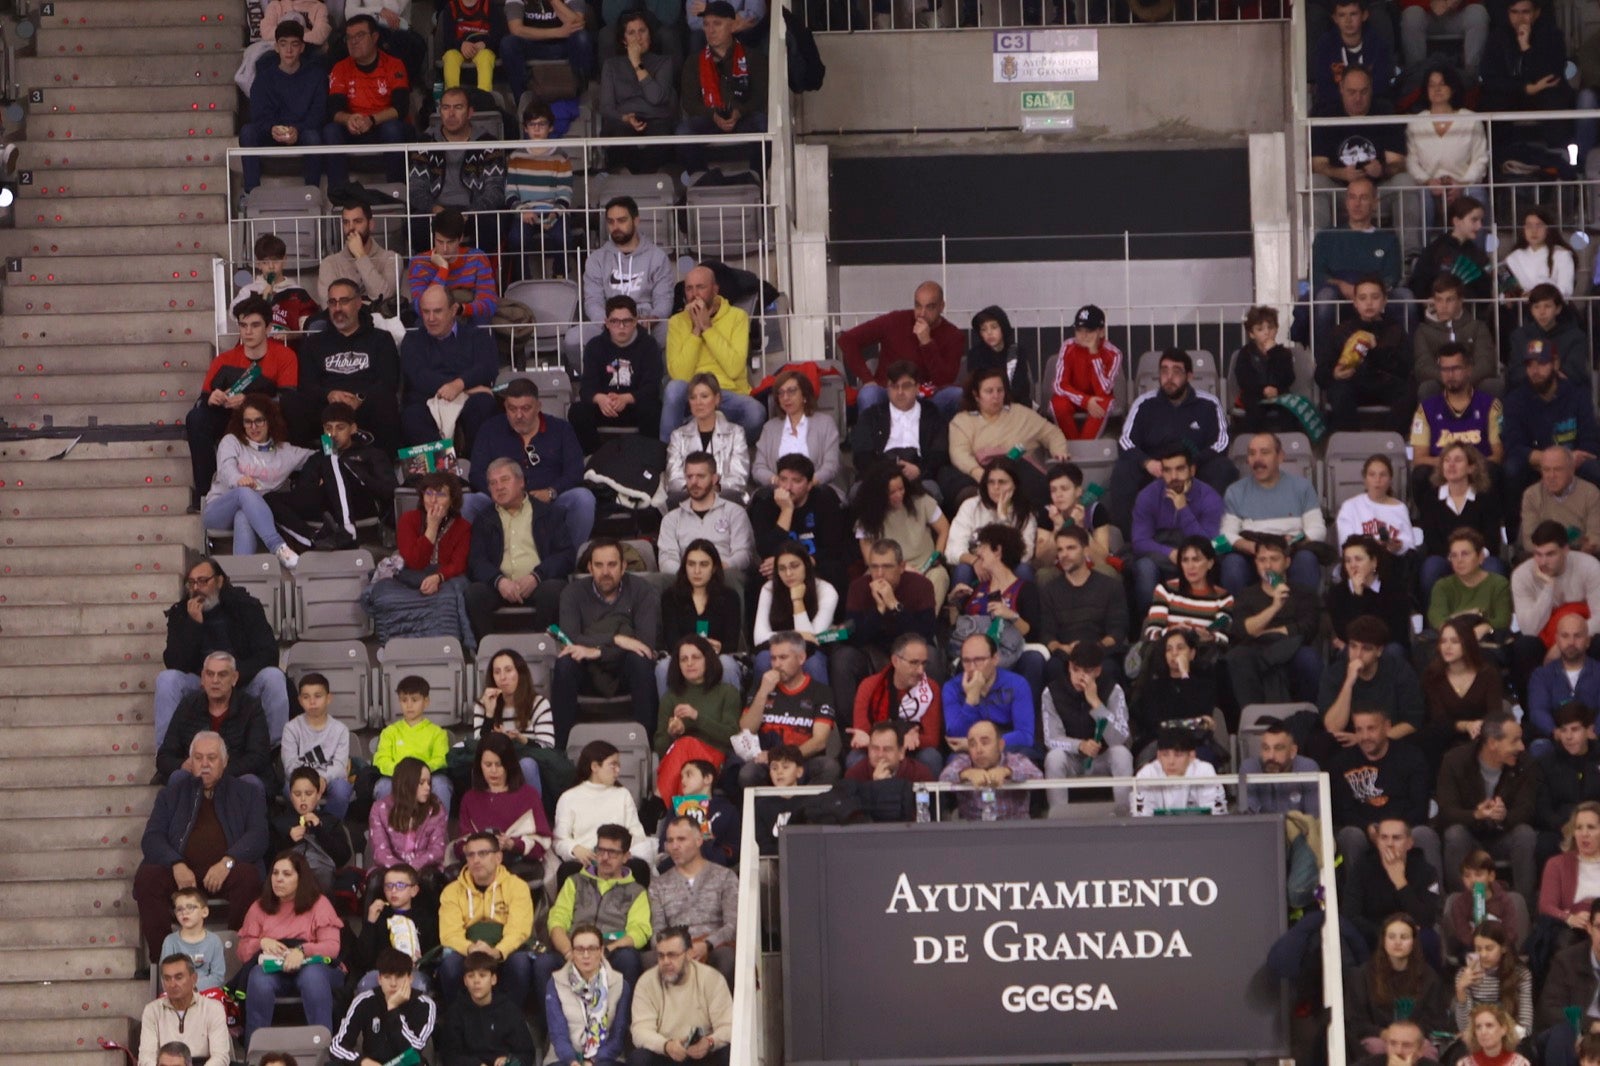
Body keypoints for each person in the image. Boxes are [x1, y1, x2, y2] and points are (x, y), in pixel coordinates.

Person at [134, 733, 267, 962]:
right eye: (198, 758)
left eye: (212, 758)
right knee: (147, 878)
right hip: (182, 873)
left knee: (248, 877)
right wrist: (175, 863)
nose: (205, 764)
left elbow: (259, 836)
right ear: (190, 762)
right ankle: (166, 962)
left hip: (226, 871)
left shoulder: (247, 792)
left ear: (224, 762)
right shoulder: (170, 794)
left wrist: (228, 862)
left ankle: (235, 960)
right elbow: (152, 838)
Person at [156, 554, 291, 738]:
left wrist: (232, 676)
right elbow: (175, 663)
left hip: (241, 682)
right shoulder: (180, 614)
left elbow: (268, 654)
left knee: (273, 677)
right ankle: (165, 757)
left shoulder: (245, 606)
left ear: (219, 581)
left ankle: (276, 750)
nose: (196, 589)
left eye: (203, 581)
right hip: (201, 684)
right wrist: (193, 625)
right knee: (167, 680)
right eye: (192, 583)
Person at [185, 297, 301, 505]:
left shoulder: (285, 356)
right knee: (196, 417)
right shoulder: (224, 359)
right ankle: (206, 492)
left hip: (269, 417)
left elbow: (288, 398)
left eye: (255, 325)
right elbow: (202, 400)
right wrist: (212, 398)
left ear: (268, 328)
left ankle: (295, 483)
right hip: (231, 417)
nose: (248, 332)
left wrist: (249, 401)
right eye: (243, 325)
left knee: (295, 408)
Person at [1109, 348, 1236, 533]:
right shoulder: (1144, 403)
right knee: (1123, 470)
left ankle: (1212, 535)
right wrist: (1147, 463)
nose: (1169, 377)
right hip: (1156, 469)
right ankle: (1130, 539)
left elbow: (1222, 443)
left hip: (1195, 466)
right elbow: (1126, 442)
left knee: (1224, 468)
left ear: (1189, 376)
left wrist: (1191, 464)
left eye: (1176, 371)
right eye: (1164, 371)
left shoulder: (1208, 403)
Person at [552, 539, 662, 742]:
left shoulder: (643, 591)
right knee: (564, 664)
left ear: (623, 566)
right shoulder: (572, 593)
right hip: (586, 671)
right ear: (589, 567)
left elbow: (645, 645)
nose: (605, 572)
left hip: (626, 671)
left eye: (612, 564)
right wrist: (617, 639)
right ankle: (561, 746)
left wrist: (599, 651)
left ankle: (647, 743)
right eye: (599, 565)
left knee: (640, 661)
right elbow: (570, 639)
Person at [467, 378, 594, 551]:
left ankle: (568, 560)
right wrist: (500, 493)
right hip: (500, 501)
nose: (519, 415)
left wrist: (551, 492)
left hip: (548, 502)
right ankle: (479, 563)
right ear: (505, 407)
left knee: (583, 498)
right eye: (512, 409)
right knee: (467, 502)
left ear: (538, 406)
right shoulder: (489, 429)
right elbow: (476, 473)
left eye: (526, 409)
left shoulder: (561, 429)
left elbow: (575, 471)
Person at [236, 851, 344, 1044]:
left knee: (312, 976)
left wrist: (302, 952)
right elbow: (243, 953)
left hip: (316, 969)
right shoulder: (259, 906)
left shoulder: (319, 903)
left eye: (286, 874)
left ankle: (324, 1049)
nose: (278, 879)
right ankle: (255, 1051)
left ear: (300, 878)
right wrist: (260, 943)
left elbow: (332, 947)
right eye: (275, 873)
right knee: (258, 978)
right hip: (274, 969)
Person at [464, 457, 574, 640]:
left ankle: (542, 646)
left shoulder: (549, 513)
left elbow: (566, 555)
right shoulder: (483, 519)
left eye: (505, 480)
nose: (499, 487)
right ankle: (489, 652)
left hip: (539, 583)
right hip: (499, 586)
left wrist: (536, 576)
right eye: (493, 483)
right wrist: (499, 581)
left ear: (521, 481)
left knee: (555, 590)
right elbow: (476, 561)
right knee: (474, 594)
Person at [363, 471, 475, 649]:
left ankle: (445, 649)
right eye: (429, 493)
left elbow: (458, 564)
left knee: (449, 598)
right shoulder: (409, 520)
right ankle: (394, 648)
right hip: (410, 576)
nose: (433, 500)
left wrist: (438, 578)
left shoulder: (463, 527)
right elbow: (414, 562)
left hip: (443, 579)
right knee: (384, 594)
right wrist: (432, 528)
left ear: (452, 500)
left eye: (441, 494)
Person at [832, 540, 939, 724]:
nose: (879, 574)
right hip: (872, 651)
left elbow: (925, 635)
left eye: (887, 567)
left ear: (902, 566)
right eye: (874, 567)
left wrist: (894, 606)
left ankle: (928, 729)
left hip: (910, 651)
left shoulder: (922, 586)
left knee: (932, 655)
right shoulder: (859, 587)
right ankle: (851, 732)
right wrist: (879, 611)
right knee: (842, 658)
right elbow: (854, 639)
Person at [539, 823, 651, 994]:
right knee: (543, 963)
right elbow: (557, 920)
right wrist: (570, 952)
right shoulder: (574, 882)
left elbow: (639, 932)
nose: (604, 857)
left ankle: (624, 1020)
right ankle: (548, 1020)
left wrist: (604, 951)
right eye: (600, 850)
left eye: (612, 853)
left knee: (629, 958)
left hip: (611, 951)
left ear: (626, 856)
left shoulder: (636, 891)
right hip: (573, 948)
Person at [199, 396, 312, 564]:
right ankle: (278, 547)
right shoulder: (232, 441)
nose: (253, 427)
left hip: (255, 514)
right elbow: (226, 469)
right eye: (248, 422)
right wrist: (238, 479)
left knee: (244, 514)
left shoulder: (284, 452)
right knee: (244, 493)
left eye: (259, 421)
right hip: (219, 509)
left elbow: (320, 457)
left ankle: (243, 578)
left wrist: (321, 471)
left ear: (270, 421)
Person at [1331, 707, 1441, 880]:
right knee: (1349, 835)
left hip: (1404, 828)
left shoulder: (1411, 757)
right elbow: (1344, 811)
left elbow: (1420, 807)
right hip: (1365, 829)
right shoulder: (1342, 762)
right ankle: (1354, 900)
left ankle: (1436, 901)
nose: (1365, 736)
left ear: (1387, 727)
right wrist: (1369, 829)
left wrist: (1392, 833)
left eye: (1371, 728)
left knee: (1425, 835)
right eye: (1359, 730)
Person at [1438, 713, 1538, 898]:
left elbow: (1528, 810)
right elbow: (1446, 811)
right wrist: (1476, 814)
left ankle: (1524, 906)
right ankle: (1460, 904)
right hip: (1470, 835)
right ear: (1492, 743)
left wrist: (1503, 816)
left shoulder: (1526, 764)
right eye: (1514, 741)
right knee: (1455, 834)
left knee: (1525, 834)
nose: (1522, 746)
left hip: (1504, 835)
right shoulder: (1455, 761)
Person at [941, 365, 1069, 507]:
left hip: (1021, 475)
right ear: (976, 395)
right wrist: (978, 472)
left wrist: (1059, 450)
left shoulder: (1021, 413)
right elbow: (958, 452)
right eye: (989, 391)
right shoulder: (962, 421)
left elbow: (1051, 432)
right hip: (982, 476)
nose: (996, 396)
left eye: (1000, 390)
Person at [298, 278, 402, 452]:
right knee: (296, 403)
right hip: (327, 407)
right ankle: (310, 468)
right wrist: (329, 395)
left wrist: (359, 399)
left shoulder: (381, 339)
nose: (338, 308)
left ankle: (384, 468)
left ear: (359, 303)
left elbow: (388, 382)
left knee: (387, 402)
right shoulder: (313, 343)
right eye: (332, 302)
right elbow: (306, 384)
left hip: (368, 404)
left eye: (344, 301)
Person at [661, 265, 763, 443]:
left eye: (701, 287)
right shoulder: (677, 322)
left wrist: (708, 328)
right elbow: (679, 375)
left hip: (726, 393)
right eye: (689, 288)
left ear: (715, 290)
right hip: (692, 393)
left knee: (756, 412)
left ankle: (722, 445)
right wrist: (696, 331)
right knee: (673, 388)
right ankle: (666, 454)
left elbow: (734, 369)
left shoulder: (737, 317)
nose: (694, 294)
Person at [1310, 65, 1413, 240]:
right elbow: (1317, 165)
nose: (1358, 98)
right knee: (1315, 182)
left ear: (1371, 89)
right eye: (1351, 92)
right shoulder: (1326, 116)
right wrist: (1341, 173)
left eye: (1363, 92)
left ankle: (1410, 254)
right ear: (1341, 89)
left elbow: (1398, 162)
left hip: (1376, 194)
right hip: (1342, 193)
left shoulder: (1385, 112)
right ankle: (1320, 249)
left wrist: (1382, 170)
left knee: (1406, 181)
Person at [949, 523, 1046, 708]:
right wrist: (953, 602)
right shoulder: (976, 587)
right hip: (975, 656)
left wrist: (1011, 616)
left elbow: (1033, 634)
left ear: (998, 551)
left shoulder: (1025, 589)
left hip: (1011, 653)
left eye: (983, 547)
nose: (977, 553)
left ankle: (1025, 724)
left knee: (1033, 660)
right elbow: (957, 629)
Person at [1128, 446, 1226, 626]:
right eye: (1167, 470)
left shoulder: (1209, 497)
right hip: (1162, 556)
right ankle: (1148, 626)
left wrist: (1183, 509)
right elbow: (1139, 541)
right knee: (1144, 567)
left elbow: (1208, 546)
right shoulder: (1148, 496)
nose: (1173, 477)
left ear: (1192, 470)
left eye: (1180, 469)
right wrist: (1169, 552)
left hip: (1197, 556)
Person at [437, 832, 536, 1008]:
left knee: (520, 964)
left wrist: (497, 951)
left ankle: (512, 1019)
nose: (476, 860)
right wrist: (471, 949)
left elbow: (519, 929)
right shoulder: (452, 891)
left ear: (498, 857)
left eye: (483, 854)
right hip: (467, 949)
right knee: (450, 966)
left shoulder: (517, 886)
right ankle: (459, 1018)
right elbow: (449, 934)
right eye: (471, 854)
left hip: (505, 949)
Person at [837, 282, 965, 417]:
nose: (922, 313)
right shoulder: (896, 321)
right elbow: (847, 340)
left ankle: (937, 437)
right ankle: (871, 437)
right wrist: (867, 379)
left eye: (930, 307)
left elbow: (945, 380)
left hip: (927, 397)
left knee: (955, 395)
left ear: (941, 307)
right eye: (918, 306)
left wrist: (927, 343)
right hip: (888, 391)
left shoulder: (954, 335)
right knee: (869, 394)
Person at [1227, 534, 1324, 707]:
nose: (1268, 565)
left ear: (1287, 562)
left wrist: (1265, 632)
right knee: (1237, 656)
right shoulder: (1246, 595)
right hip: (1255, 651)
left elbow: (1308, 628)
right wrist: (1274, 607)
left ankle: (1308, 716)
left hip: (1291, 649)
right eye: (1262, 560)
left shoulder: (1303, 593)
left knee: (1308, 658)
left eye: (1274, 559)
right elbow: (1242, 630)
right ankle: (1254, 717)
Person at [398, 283, 498, 451]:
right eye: (425, 311)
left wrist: (459, 385)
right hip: (426, 399)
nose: (430, 318)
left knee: (483, 405)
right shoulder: (412, 339)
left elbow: (487, 367)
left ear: (453, 310)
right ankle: (439, 474)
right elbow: (418, 377)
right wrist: (463, 387)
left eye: (437, 311)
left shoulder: (477, 336)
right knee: (412, 416)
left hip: (470, 399)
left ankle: (472, 469)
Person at [155, 650, 272, 789]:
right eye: (210, 674)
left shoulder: (250, 707)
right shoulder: (188, 706)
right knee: (178, 777)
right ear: (203, 678)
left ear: (234, 678)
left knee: (251, 782)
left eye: (222, 674)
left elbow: (258, 757)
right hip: (196, 777)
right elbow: (164, 757)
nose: (215, 680)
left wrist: (218, 771)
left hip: (234, 776)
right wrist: (182, 765)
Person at [737, 631, 841, 787]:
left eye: (783, 658)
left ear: (801, 658)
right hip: (767, 765)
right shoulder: (761, 687)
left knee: (829, 767)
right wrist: (763, 693)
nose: (777, 664)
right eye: (773, 658)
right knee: (747, 774)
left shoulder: (821, 691)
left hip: (802, 762)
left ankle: (808, 810)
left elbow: (819, 742)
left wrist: (779, 758)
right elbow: (746, 729)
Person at [1042, 643, 1133, 816]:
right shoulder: (1051, 692)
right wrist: (1080, 745)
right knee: (1054, 757)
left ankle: (1124, 816)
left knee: (1122, 754)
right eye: (1076, 669)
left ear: (1098, 671)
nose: (1080, 676)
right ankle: (1057, 818)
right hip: (1072, 759)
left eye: (1088, 671)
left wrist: (1096, 703)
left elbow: (1120, 738)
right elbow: (1051, 738)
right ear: (1069, 666)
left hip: (1103, 758)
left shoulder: (1113, 689)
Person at [408, 89, 505, 250]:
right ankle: (429, 273)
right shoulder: (425, 142)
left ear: (470, 112)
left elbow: (495, 190)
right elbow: (416, 188)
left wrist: (471, 213)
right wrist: (434, 209)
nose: (451, 114)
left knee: (489, 225)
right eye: (446, 108)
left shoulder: (488, 143)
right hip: (436, 211)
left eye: (458, 107)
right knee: (417, 226)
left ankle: (479, 273)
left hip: (474, 212)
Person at [1309, 178, 1406, 339]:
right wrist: (1341, 285)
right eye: (1352, 197)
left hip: (1375, 295)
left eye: (1364, 198)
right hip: (1338, 294)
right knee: (1325, 298)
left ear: (1375, 203)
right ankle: (1323, 362)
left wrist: (1366, 292)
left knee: (1405, 297)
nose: (1357, 203)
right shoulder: (1325, 237)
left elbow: (1392, 276)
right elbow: (1317, 274)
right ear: (1346, 202)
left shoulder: (1388, 239)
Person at [1512, 521, 1600, 697]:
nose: (1543, 562)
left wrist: (1566, 642)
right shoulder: (1522, 575)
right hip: (1543, 638)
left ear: (1566, 550)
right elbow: (1529, 629)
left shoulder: (1589, 566)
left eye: (1550, 554)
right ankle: (1531, 715)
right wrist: (1549, 586)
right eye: (1538, 554)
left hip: (1582, 636)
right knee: (1523, 646)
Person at [1316, 276, 1413, 433]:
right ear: (1355, 302)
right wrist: (1334, 373)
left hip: (1384, 385)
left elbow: (1405, 369)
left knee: (1408, 390)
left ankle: (1391, 442)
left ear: (1384, 301)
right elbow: (1320, 373)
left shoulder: (1396, 330)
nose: (1369, 303)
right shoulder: (1340, 331)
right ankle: (1351, 444)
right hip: (1353, 385)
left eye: (1375, 297)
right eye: (1362, 298)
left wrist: (1376, 350)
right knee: (1339, 390)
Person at [1503, 341, 1600, 498]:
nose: (1535, 371)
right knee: (1512, 469)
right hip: (1534, 464)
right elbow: (1514, 446)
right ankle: (1516, 523)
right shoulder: (1515, 399)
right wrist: (1552, 461)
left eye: (1541, 363)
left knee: (1594, 470)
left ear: (1556, 364)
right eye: (1529, 365)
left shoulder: (1577, 395)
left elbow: (1590, 441)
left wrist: (1568, 461)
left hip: (1574, 461)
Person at [650, 816, 739, 987]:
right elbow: (657, 931)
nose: (674, 846)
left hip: (714, 948)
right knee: (647, 960)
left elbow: (733, 925)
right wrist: (675, 951)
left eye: (681, 839)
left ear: (699, 841)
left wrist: (707, 944)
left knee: (727, 957)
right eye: (670, 841)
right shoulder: (658, 884)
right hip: (674, 950)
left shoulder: (724, 876)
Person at [322, 14, 410, 187]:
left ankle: (396, 191)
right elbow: (333, 110)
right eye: (349, 37)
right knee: (330, 130)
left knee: (392, 129)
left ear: (375, 37)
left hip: (383, 125)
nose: (353, 42)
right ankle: (340, 194)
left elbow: (401, 108)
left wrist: (371, 120)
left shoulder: (394, 64)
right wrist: (348, 119)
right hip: (353, 127)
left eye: (360, 35)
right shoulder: (340, 67)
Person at [1344, 914, 1450, 1055]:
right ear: (1384, 941)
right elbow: (1356, 1021)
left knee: (1426, 1053)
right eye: (1392, 937)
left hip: (1415, 1038)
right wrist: (1384, 1033)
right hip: (1378, 1038)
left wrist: (1409, 1035)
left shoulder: (1429, 977)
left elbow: (1436, 1020)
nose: (1397, 942)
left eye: (1404, 937)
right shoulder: (1363, 975)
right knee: (1378, 1049)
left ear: (1413, 941)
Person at [240, 20, 327, 193]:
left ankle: (312, 193)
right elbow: (258, 116)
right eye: (283, 44)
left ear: (302, 48)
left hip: (302, 131)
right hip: (271, 131)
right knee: (247, 132)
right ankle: (252, 194)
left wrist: (298, 130)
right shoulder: (263, 78)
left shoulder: (316, 76)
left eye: (294, 45)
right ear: (276, 47)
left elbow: (318, 114)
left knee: (314, 137)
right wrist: (271, 128)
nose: (289, 50)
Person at [572, 295, 665, 452]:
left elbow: (652, 386)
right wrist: (600, 399)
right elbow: (587, 387)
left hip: (634, 405)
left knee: (653, 409)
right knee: (578, 411)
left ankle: (648, 458)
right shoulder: (595, 346)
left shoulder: (649, 345)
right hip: (605, 406)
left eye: (627, 321)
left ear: (635, 321)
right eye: (615, 321)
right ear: (607, 323)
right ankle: (592, 458)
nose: (621, 327)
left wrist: (627, 398)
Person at [629, 926, 734, 1066]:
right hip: (666, 1054)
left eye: (672, 955)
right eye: (661, 955)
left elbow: (728, 1026)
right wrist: (666, 1046)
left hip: (703, 1053)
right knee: (639, 1058)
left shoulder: (712, 978)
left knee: (728, 1053)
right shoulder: (646, 982)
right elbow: (640, 1031)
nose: (665, 961)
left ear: (689, 954)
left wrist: (710, 1042)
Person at [582, 197, 675, 351]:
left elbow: (664, 299)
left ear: (636, 221)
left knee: (675, 333)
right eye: (610, 222)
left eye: (622, 220)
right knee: (573, 340)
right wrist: (608, 322)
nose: (615, 226)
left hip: (647, 323)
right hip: (609, 322)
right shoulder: (596, 259)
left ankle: (659, 375)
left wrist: (654, 318)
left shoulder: (657, 257)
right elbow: (592, 301)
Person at [748, 454, 851, 593]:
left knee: (836, 572)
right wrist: (787, 510)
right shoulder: (765, 503)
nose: (788, 487)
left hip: (814, 564)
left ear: (809, 485)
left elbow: (833, 549)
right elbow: (766, 551)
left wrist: (802, 563)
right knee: (755, 581)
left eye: (796, 481)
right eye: (783, 479)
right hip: (780, 566)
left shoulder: (824, 501)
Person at [654, 636, 741, 798]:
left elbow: (732, 737)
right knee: (684, 745)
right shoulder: (671, 697)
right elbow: (660, 749)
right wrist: (672, 734)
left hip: (715, 760)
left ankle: (660, 802)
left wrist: (696, 717)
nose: (689, 663)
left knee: (687, 743)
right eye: (683, 659)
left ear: (708, 659)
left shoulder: (727, 692)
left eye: (696, 657)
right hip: (679, 762)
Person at [1418, 443, 1507, 599]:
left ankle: (1492, 620)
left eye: (1458, 460)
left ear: (1471, 467)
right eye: (1447, 460)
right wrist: (1455, 559)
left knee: (1494, 567)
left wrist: (1472, 559)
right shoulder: (1431, 498)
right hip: (1445, 558)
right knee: (1431, 567)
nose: (1451, 465)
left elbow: (1492, 538)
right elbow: (1432, 540)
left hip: (1479, 559)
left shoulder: (1486, 497)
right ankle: (1432, 620)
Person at [852, 462, 950, 605]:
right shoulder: (868, 518)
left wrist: (937, 554)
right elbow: (869, 559)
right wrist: (900, 569)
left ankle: (923, 623)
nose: (899, 495)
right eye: (892, 492)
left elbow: (944, 528)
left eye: (901, 489)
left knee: (940, 576)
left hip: (925, 568)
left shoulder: (922, 501)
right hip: (887, 571)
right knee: (866, 585)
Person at [849, 359, 951, 496]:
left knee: (932, 491)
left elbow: (940, 453)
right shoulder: (871, 415)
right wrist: (885, 473)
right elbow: (861, 454)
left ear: (917, 388)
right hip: (880, 474)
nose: (900, 392)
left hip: (919, 475)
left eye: (906, 386)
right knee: (857, 492)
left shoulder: (932, 415)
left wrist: (920, 470)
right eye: (894, 386)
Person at [1405, 66, 1490, 231]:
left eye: (1442, 84)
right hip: (1430, 187)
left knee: (1477, 193)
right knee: (1419, 197)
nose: (1437, 89)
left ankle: (1477, 255)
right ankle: (1424, 254)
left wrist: (1462, 184)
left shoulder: (1471, 119)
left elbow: (1480, 159)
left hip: (1464, 184)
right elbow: (1411, 161)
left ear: (1452, 88)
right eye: (1431, 85)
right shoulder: (1416, 122)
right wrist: (1428, 181)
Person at [848, 633, 943, 778]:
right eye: (914, 663)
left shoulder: (931, 688)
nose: (921, 671)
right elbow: (861, 733)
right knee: (855, 758)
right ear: (895, 661)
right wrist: (902, 738)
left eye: (924, 663)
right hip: (879, 749)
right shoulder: (869, 686)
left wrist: (898, 743)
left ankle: (927, 801)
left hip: (912, 752)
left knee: (931, 757)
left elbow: (931, 739)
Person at [456, 732, 550, 873]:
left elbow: (541, 844)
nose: (493, 771)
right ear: (479, 765)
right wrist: (479, 847)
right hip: (478, 868)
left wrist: (512, 844)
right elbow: (460, 845)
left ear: (510, 764)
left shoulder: (528, 795)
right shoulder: (470, 799)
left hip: (518, 866)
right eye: (488, 765)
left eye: (499, 764)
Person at [1321, 616, 1425, 744]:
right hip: (1348, 745)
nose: (1357, 655)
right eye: (1353, 646)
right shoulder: (1335, 673)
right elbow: (1333, 727)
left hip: (1390, 743)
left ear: (1379, 651)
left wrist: (1365, 740)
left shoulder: (1399, 670)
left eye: (1366, 648)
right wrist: (1348, 683)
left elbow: (1412, 721)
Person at [1420, 618, 1505, 774]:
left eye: (1454, 641)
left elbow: (1495, 712)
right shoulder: (1432, 676)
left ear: (1467, 643)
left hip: (1481, 735)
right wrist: (1466, 725)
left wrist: (1479, 726)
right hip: (1445, 737)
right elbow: (1438, 719)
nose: (1447, 647)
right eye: (1443, 641)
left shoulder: (1488, 674)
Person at [553, 741, 654, 871]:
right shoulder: (569, 797)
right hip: (586, 861)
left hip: (618, 861)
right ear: (595, 766)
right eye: (613, 765)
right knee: (567, 870)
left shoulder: (622, 794)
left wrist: (619, 853)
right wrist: (574, 848)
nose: (618, 770)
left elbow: (637, 834)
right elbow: (559, 839)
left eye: (619, 765)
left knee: (639, 866)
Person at [598, 12, 678, 172]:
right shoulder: (611, 65)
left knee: (660, 141)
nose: (638, 38)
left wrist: (636, 63)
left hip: (657, 119)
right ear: (624, 40)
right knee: (618, 138)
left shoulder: (663, 62)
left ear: (650, 35)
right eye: (631, 33)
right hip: (623, 120)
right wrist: (624, 118)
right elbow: (606, 108)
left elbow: (655, 98)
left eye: (642, 31)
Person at [502, 101, 573, 280]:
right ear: (525, 128)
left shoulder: (561, 157)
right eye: (532, 125)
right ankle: (522, 279)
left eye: (541, 124)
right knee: (516, 239)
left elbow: (565, 192)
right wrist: (522, 211)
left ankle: (559, 274)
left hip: (553, 212)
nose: (537, 129)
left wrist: (555, 214)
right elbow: (510, 193)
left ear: (550, 128)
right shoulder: (516, 156)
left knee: (563, 238)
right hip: (525, 213)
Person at [329, 948, 437, 1064]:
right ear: (379, 979)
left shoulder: (425, 1004)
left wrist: (393, 1009)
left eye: (399, 976)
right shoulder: (364, 1001)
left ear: (410, 979)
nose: (393, 983)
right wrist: (363, 1062)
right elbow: (337, 1047)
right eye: (387, 977)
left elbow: (414, 1050)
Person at [659, 542, 743, 690]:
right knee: (663, 667)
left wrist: (716, 649)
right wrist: (697, 650)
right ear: (684, 567)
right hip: (683, 657)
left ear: (714, 567)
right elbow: (672, 641)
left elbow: (731, 643)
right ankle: (669, 713)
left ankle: (730, 713)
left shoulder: (729, 597)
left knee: (727, 664)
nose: (696, 571)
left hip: (718, 657)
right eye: (691, 564)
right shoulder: (670, 597)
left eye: (704, 564)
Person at [1410, 344, 1504, 476]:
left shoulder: (1491, 405)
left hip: (1478, 473)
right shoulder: (1425, 409)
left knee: (1493, 470)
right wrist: (1453, 466)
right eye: (1445, 369)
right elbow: (1419, 459)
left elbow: (1497, 456)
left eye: (1456, 368)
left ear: (1469, 369)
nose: (1450, 374)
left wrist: (1468, 467)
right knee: (1421, 474)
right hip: (1441, 473)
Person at [945, 457, 1038, 590]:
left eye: (1002, 482)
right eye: (991, 482)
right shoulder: (970, 506)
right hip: (977, 570)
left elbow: (1025, 555)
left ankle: (1020, 609)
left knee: (1024, 570)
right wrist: (976, 561)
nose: (996, 487)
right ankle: (959, 609)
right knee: (963, 569)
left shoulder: (1025, 514)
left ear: (1014, 485)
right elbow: (952, 551)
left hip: (1009, 569)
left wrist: (1003, 518)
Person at [1039, 525, 1128, 663]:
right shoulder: (1049, 590)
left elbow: (1117, 632)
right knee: (1053, 667)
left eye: (1071, 548)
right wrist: (1061, 647)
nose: (1064, 555)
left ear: (1086, 551)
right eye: (1060, 550)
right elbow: (1047, 634)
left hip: (1100, 653)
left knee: (1110, 667)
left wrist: (1092, 648)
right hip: (1065, 656)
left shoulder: (1110, 586)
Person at [545, 924, 631, 1066]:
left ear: (601, 950)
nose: (586, 955)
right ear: (572, 952)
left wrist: (592, 1062)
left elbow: (618, 1037)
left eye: (592, 949)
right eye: (579, 949)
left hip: (606, 1059)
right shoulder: (556, 982)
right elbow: (558, 1034)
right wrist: (573, 1061)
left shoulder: (619, 983)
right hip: (565, 1059)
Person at [469, 649, 555, 790]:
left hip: (531, 761)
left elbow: (548, 747)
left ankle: (532, 809)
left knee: (526, 764)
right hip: (496, 761)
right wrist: (489, 714)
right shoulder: (482, 704)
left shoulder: (538, 703)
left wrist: (521, 739)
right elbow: (479, 748)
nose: (503, 677)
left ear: (520, 673)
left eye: (508, 670)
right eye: (497, 672)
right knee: (481, 766)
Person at [435, 951, 540, 1065]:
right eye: (471, 976)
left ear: (493, 979)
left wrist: (509, 1060)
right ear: (465, 981)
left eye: (482, 975)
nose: (476, 981)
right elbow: (449, 1055)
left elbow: (526, 1053)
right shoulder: (455, 1012)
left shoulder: (509, 1010)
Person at [1350, 817, 1442, 946]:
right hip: (1374, 936)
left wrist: (1400, 882)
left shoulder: (1426, 871)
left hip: (1411, 937)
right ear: (1377, 842)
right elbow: (1351, 915)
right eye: (1384, 838)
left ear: (1409, 843)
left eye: (1396, 838)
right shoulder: (1362, 868)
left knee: (1428, 937)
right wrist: (1388, 933)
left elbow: (1426, 919)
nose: (1389, 843)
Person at [942, 632, 1034, 758]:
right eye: (966, 661)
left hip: (1007, 748)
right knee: (954, 762)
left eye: (979, 660)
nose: (972, 668)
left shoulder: (1017, 684)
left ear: (995, 659)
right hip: (969, 752)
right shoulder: (951, 688)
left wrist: (983, 744)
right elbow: (955, 737)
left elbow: (1025, 735)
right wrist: (971, 699)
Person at [1139, 535, 1235, 652]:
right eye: (1185, 560)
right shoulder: (1165, 590)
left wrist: (1209, 637)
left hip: (1202, 657)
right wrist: (1173, 632)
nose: (1190, 566)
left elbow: (1223, 638)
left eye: (1196, 560)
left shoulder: (1224, 598)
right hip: (1166, 655)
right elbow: (1151, 634)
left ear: (1210, 563)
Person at [666, 374, 752, 503]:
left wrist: (714, 488)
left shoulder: (736, 433)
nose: (698, 402)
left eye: (704, 396)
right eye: (693, 398)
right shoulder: (678, 436)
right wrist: (698, 491)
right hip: (689, 501)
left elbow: (739, 477)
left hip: (725, 501)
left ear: (717, 399)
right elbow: (674, 478)